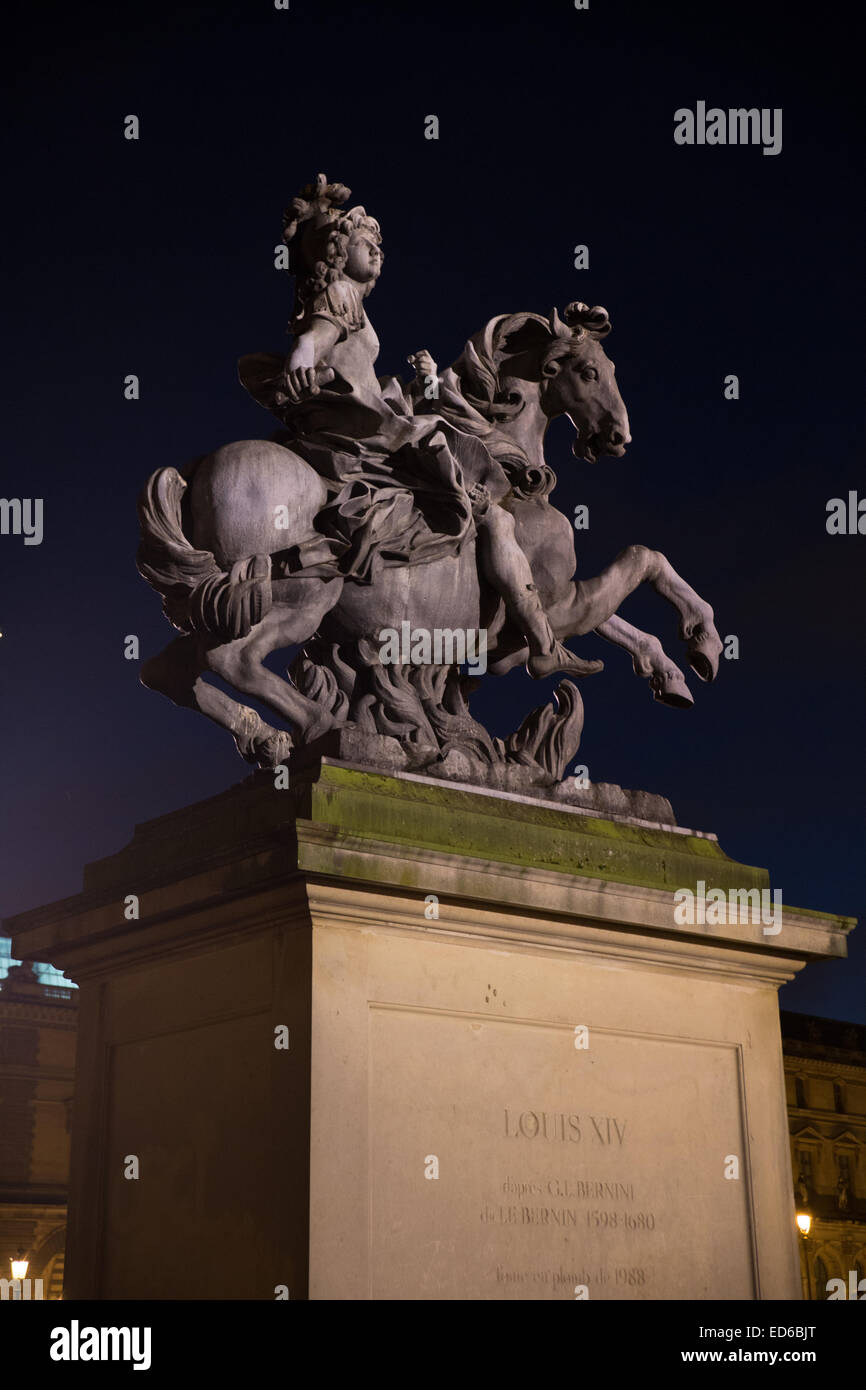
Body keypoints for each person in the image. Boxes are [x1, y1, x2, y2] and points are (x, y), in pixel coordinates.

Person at [240, 175, 597, 678]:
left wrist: (426, 384)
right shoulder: (342, 295)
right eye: (368, 244)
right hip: (371, 433)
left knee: (448, 454)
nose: (379, 253)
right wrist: (303, 353)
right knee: (493, 515)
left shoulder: (349, 300)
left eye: (380, 246)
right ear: (341, 256)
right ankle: (540, 639)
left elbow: (349, 358)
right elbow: (318, 333)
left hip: (372, 421)